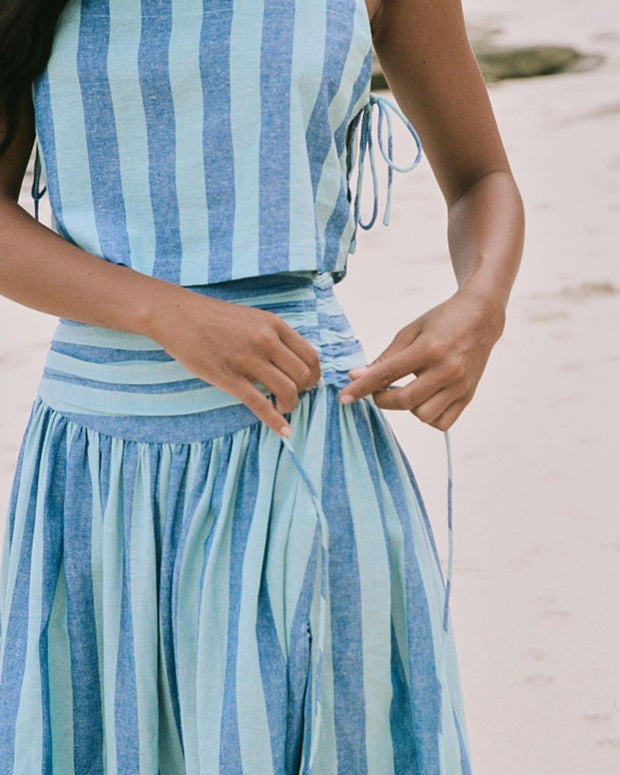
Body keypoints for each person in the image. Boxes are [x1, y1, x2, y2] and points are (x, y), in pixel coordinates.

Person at [0, 0, 524, 772]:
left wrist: (481, 302)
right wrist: (161, 312)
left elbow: (483, 177)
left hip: (304, 462)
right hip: (98, 482)